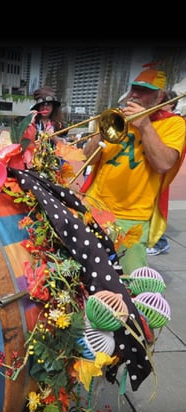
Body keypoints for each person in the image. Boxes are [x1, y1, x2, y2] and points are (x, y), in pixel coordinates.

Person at [81, 66, 186, 274]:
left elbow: (164, 164)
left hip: (133, 217)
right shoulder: (118, 117)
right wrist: (101, 132)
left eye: (144, 91)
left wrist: (144, 125)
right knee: (84, 270)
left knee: (131, 278)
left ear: (159, 97)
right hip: (95, 206)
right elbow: (88, 157)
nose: (136, 95)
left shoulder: (173, 124)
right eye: (134, 89)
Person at [146, 89, 185, 256]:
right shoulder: (153, 119)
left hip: (157, 174)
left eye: (164, 102)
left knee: (154, 208)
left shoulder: (175, 122)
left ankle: (159, 243)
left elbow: (166, 160)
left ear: (171, 104)